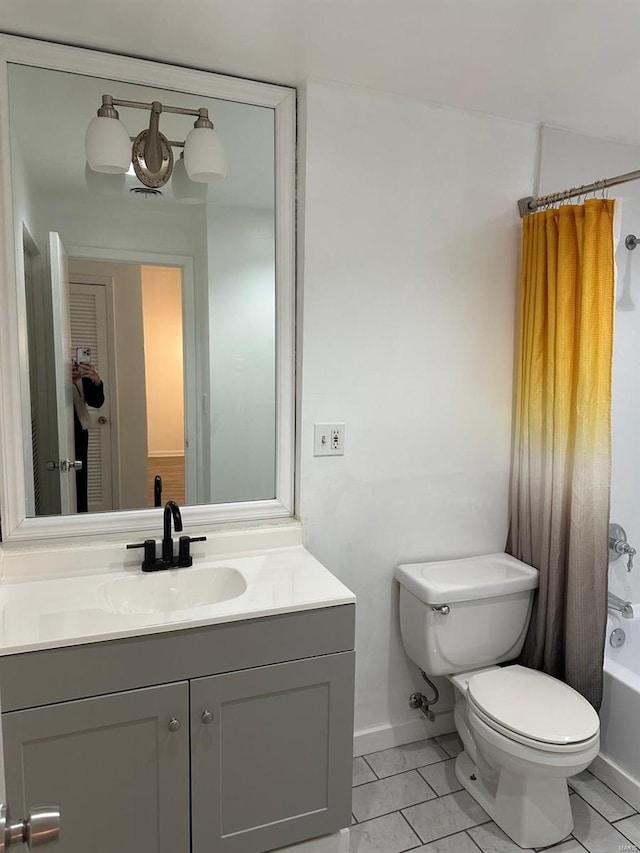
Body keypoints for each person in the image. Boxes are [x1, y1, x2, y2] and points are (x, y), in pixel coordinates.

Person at [72, 361, 104, 512]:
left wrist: (96, 380)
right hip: (62, 434)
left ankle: (81, 513)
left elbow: (97, 402)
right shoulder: (57, 376)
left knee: (80, 479)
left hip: (80, 434)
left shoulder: (79, 375)